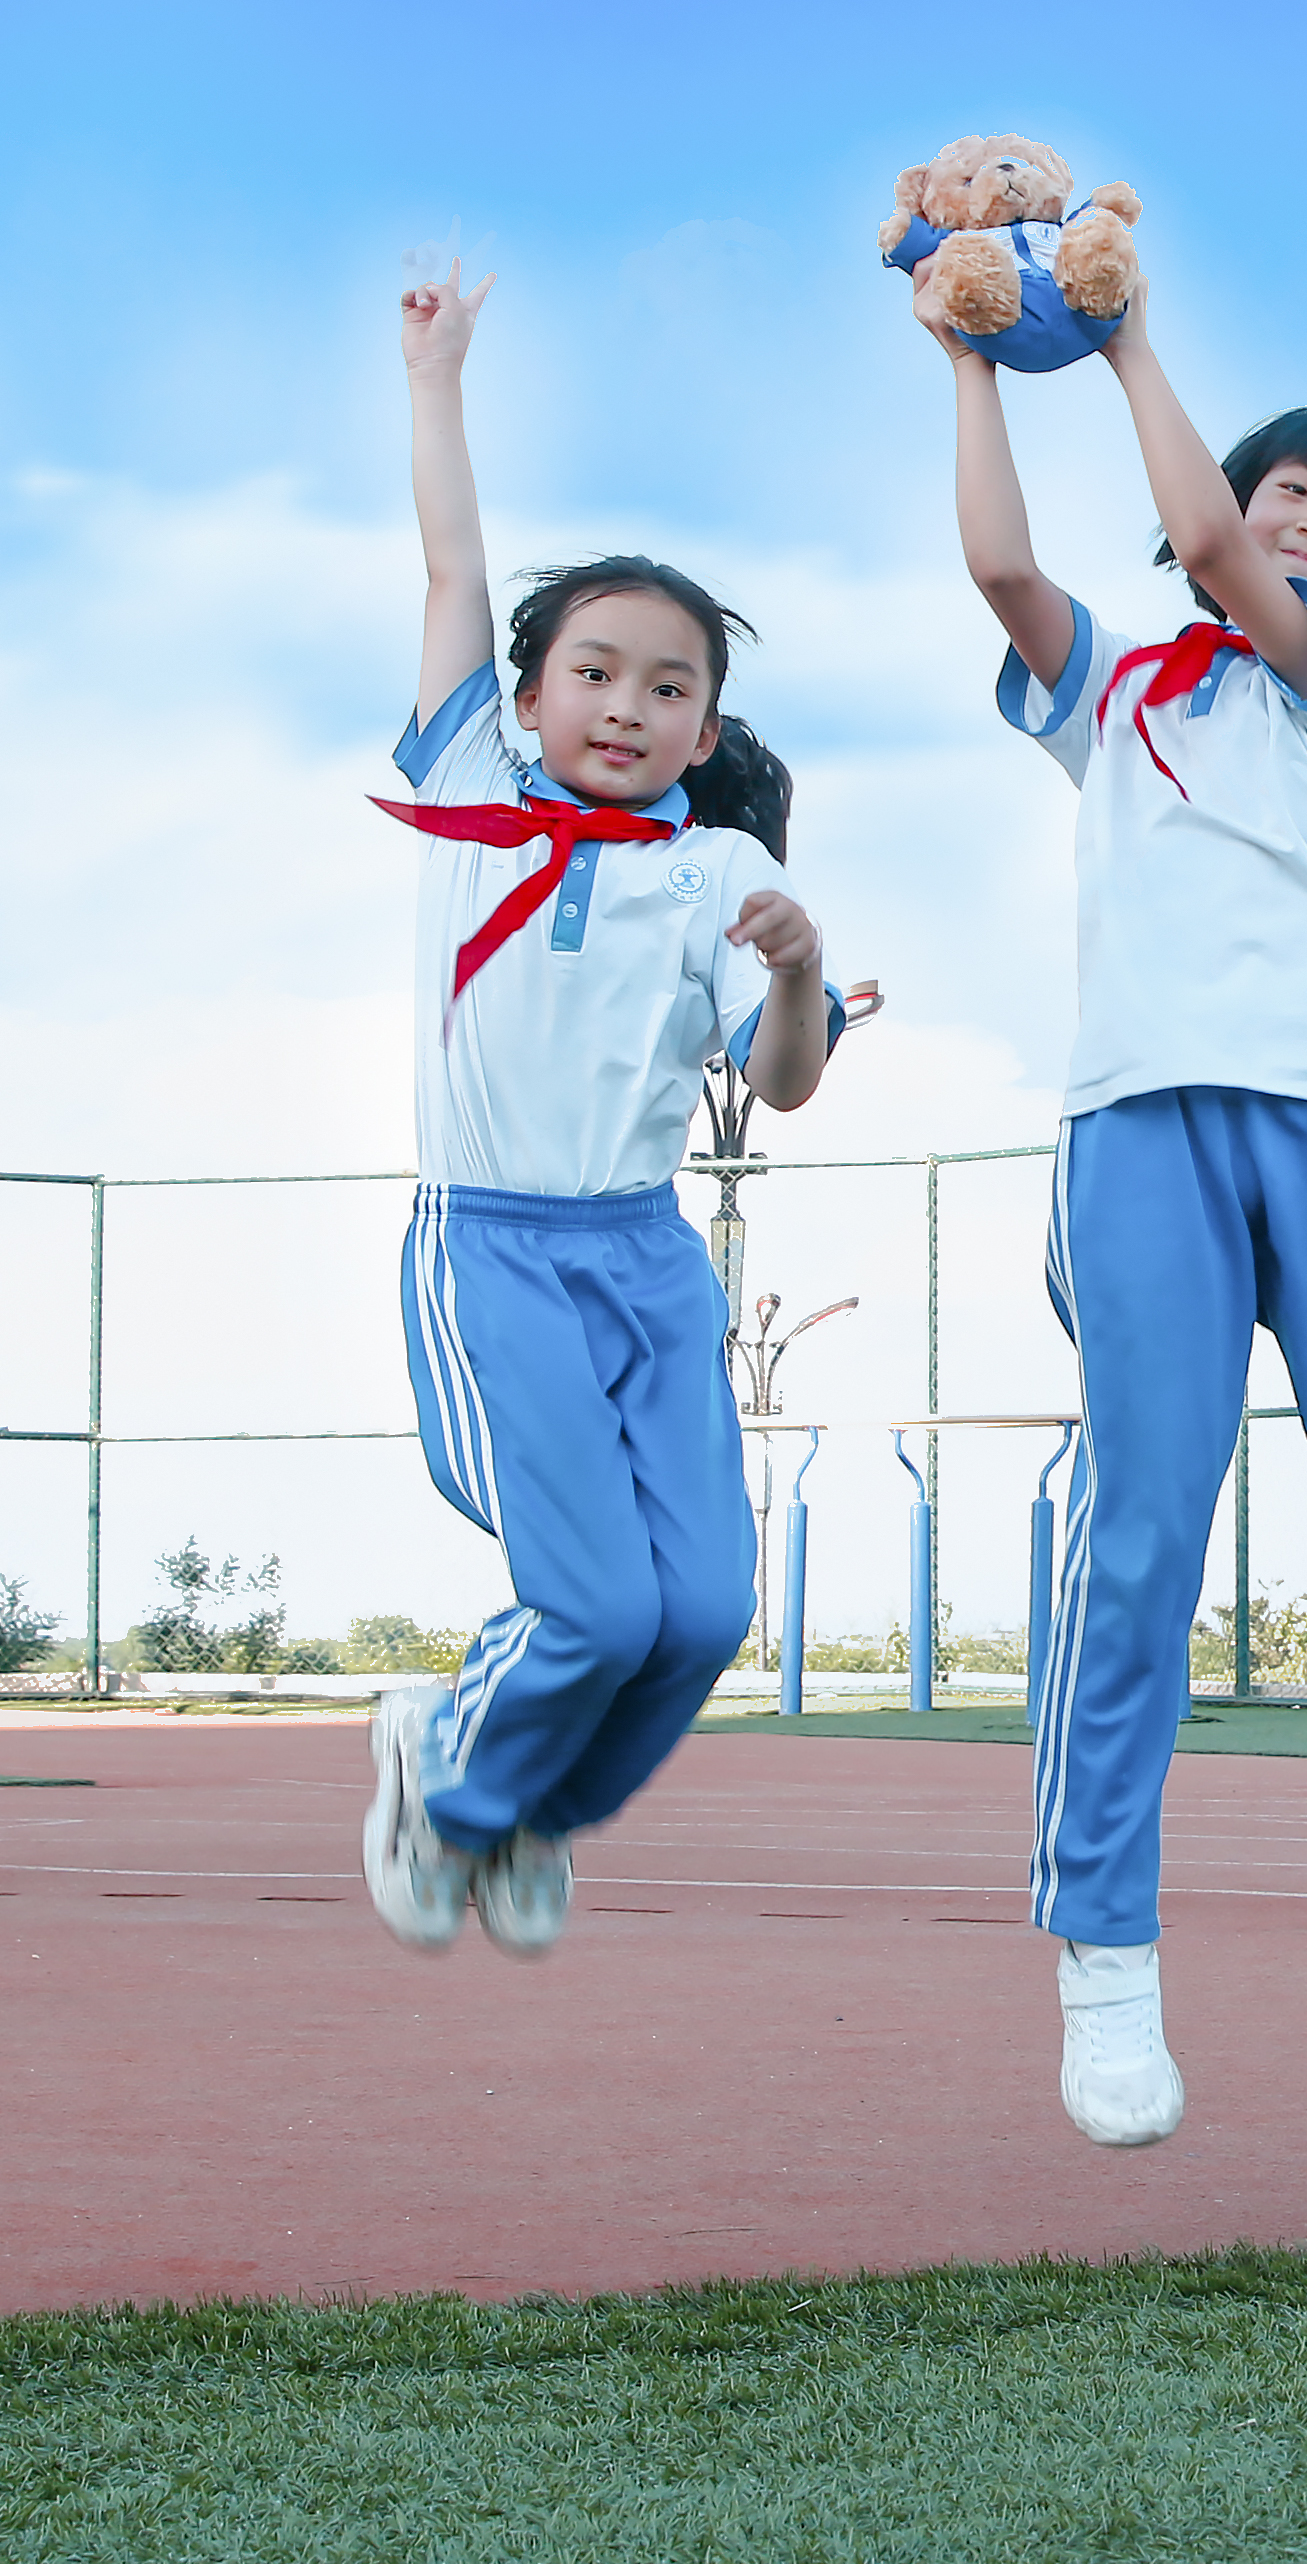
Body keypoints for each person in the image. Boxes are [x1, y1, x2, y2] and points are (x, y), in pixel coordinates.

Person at [927, 247, 1307, 2148]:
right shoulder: (1112, 686)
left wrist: (1123, 345)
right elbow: (998, 568)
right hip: (1142, 1128)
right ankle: (1106, 1961)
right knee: (1145, 1535)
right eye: (1296, 492)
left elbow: (1201, 538)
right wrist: (973, 365)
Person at [361, 267, 836, 1959]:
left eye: (668, 687)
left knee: (703, 1612)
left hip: (643, 1264)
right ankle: (455, 1773)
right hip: (493, 1247)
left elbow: (779, 1084)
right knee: (594, 1603)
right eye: (596, 673)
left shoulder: (720, 870)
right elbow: (449, 566)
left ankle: (529, 1803)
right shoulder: (467, 792)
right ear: (532, 691)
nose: (627, 707)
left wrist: (792, 972)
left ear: (707, 728)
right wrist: (436, 378)